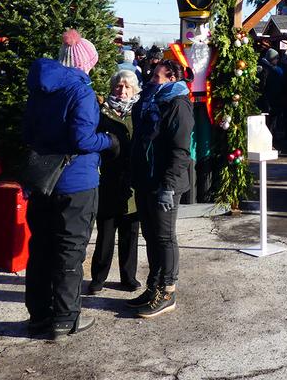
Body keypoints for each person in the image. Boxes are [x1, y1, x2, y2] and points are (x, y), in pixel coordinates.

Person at [23, 29, 118, 339]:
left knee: (40, 248)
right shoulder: (80, 92)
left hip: (43, 181)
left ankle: (39, 314)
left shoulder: (38, 88)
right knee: (69, 251)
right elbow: (82, 139)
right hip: (75, 182)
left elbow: (28, 131)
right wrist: (109, 140)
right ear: (86, 63)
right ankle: (66, 318)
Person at [127, 59, 193, 318]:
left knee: (164, 237)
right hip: (146, 179)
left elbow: (180, 150)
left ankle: (167, 291)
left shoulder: (177, 104)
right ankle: (153, 286)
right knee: (151, 235)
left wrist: (169, 185)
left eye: (157, 76)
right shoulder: (149, 102)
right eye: (152, 75)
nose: (152, 79)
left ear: (172, 79)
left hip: (165, 182)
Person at [88, 69, 141, 294]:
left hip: (132, 183)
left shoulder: (138, 112)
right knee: (106, 234)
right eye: (119, 86)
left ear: (134, 89)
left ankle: (128, 277)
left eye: (127, 86)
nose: (122, 91)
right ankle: (98, 277)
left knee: (130, 234)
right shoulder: (102, 112)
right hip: (108, 180)